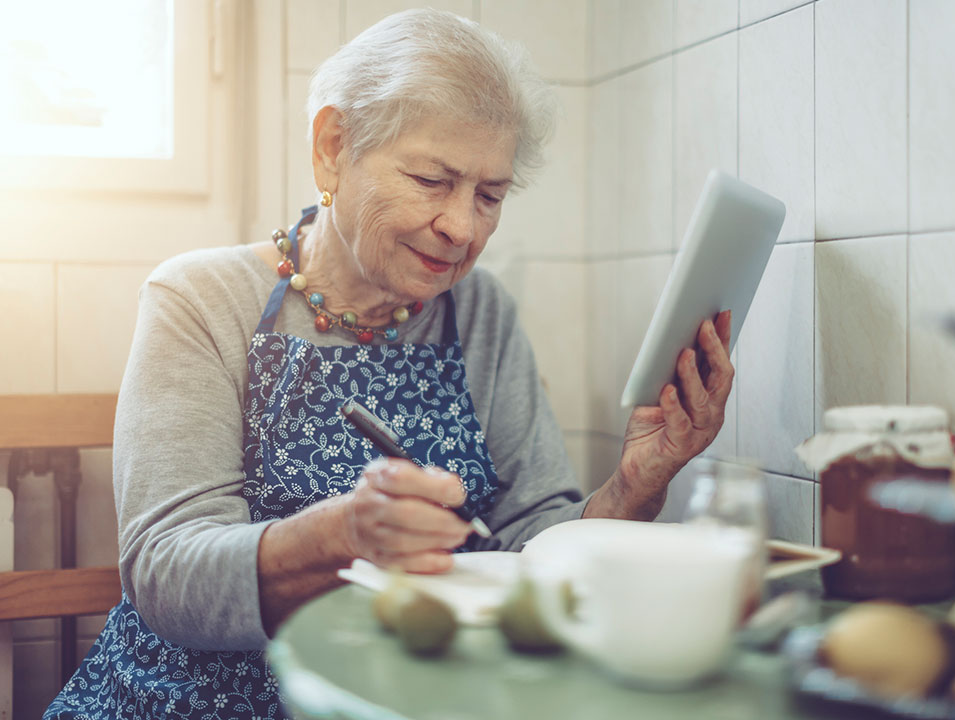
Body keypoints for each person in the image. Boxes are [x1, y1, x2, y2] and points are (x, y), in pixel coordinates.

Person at [45, 8, 734, 720]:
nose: (463, 228)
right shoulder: (199, 298)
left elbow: (534, 543)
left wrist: (633, 488)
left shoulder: (480, 311)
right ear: (333, 147)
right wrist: (337, 542)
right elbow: (165, 573)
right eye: (433, 180)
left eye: (490, 196)